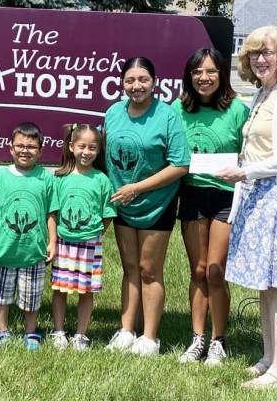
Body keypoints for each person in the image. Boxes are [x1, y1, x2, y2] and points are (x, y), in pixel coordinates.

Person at [217, 26, 277, 390]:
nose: (259, 59)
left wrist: (246, 171)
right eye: (253, 53)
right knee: (263, 287)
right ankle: (269, 358)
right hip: (257, 197)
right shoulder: (264, 93)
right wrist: (245, 172)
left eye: (267, 52)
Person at [104, 57, 190, 356]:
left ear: (154, 82)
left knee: (149, 270)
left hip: (157, 203)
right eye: (130, 80)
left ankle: (150, 338)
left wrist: (136, 188)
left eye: (143, 79)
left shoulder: (167, 116)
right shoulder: (113, 112)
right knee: (129, 269)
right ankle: (127, 330)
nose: (136, 86)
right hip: (122, 205)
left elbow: (180, 164)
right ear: (122, 83)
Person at [172, 48, 249, 365]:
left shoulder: (238, 110)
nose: (204, 78)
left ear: (221, 75)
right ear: (189, 76)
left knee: (216, 270)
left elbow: (251, 155)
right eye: (197, 72)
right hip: (191, 195)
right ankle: (197, 338)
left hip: (225, 198)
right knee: (198, 269)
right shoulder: (177, 108)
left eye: (211, 71)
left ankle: (218, 341)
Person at [0, 122, 59, 350]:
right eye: (20, 146)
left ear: (41, 151)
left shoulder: (46, 178)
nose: (25, 150)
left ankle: (30, 332)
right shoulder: (2, 177)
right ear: (11, 149)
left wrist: (52, 241)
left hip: (33, 251)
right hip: (4, 249)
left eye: (31, 147)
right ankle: (2, 330)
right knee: (1, 295)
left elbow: (51, 212)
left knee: (31, 296)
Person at [50, 123, 115, 351]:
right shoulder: (60, 178)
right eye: (81, 146)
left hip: (90, 244)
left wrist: (96, 234)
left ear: (98, 151)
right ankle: (58, 331)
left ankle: (81, 334)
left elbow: (108, 214)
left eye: (92, 148)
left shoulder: (102, 180)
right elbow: (53, 212)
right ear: (71, 146)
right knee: (60, 288)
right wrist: (53, 239)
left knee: (86, 290)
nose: (86, 152)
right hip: (63, 242)